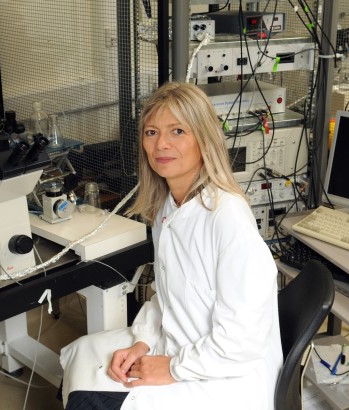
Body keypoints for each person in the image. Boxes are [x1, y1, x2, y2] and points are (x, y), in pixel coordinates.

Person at [59, 82, 282, 410]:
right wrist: (143, 343)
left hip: (226, 376)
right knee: (81, 354)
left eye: (177, 130)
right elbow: (168, 298)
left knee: (90, 402)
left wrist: (173, 368)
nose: (161, 143)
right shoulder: (170, 206)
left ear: (203, 139)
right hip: (182, 342)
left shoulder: (227, 217)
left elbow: (242, 341)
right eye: (151, 132)